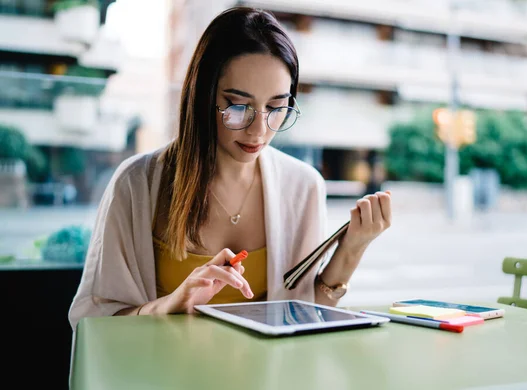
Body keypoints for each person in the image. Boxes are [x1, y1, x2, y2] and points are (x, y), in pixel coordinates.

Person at [68, 7, 392, 330]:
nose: (259, 131)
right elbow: (92, 320)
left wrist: (352, 247)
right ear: (204, 96)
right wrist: (170, 305)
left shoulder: (303, 185)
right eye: (239, 107)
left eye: (276, 107)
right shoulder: (136, 183)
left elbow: (304, 314)